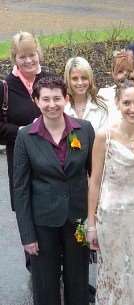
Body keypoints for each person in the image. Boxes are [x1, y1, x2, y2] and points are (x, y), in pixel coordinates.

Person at [13, 76, 95, 305]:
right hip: (42, 223)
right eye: (46, 99)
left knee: (78, 282)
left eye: (57, 98)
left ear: (66, 99)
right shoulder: (25, 136)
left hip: (77, 219)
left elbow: (95, 177)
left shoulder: (85, 130)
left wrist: (93, 221)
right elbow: (20, 189)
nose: (52, 104)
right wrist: (27, 235)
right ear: (36, 101)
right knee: (45, 285)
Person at [86, 74, 134, 305]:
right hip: (111, 216)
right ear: (117, 104)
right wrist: (91, 224)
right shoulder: (103, 136)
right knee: (113, 273)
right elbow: (95, 181)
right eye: (127, 103)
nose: (132, 108)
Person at [0, 32, 49, 212]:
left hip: (51, 156)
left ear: (38, 54)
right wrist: (22, 130)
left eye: (32, 54)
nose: (28, 60)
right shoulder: (5, 86)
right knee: (27, 211)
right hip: (21, 159)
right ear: (14, 58)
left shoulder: (49, 79)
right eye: (22, 56)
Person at [63, 57, 108, 131]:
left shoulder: (101, 107)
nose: (80, 83)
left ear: (90, 79)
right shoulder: (62, 108)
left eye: (84, 78)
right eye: (75, 78)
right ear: (68, 80)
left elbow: (105, 138)